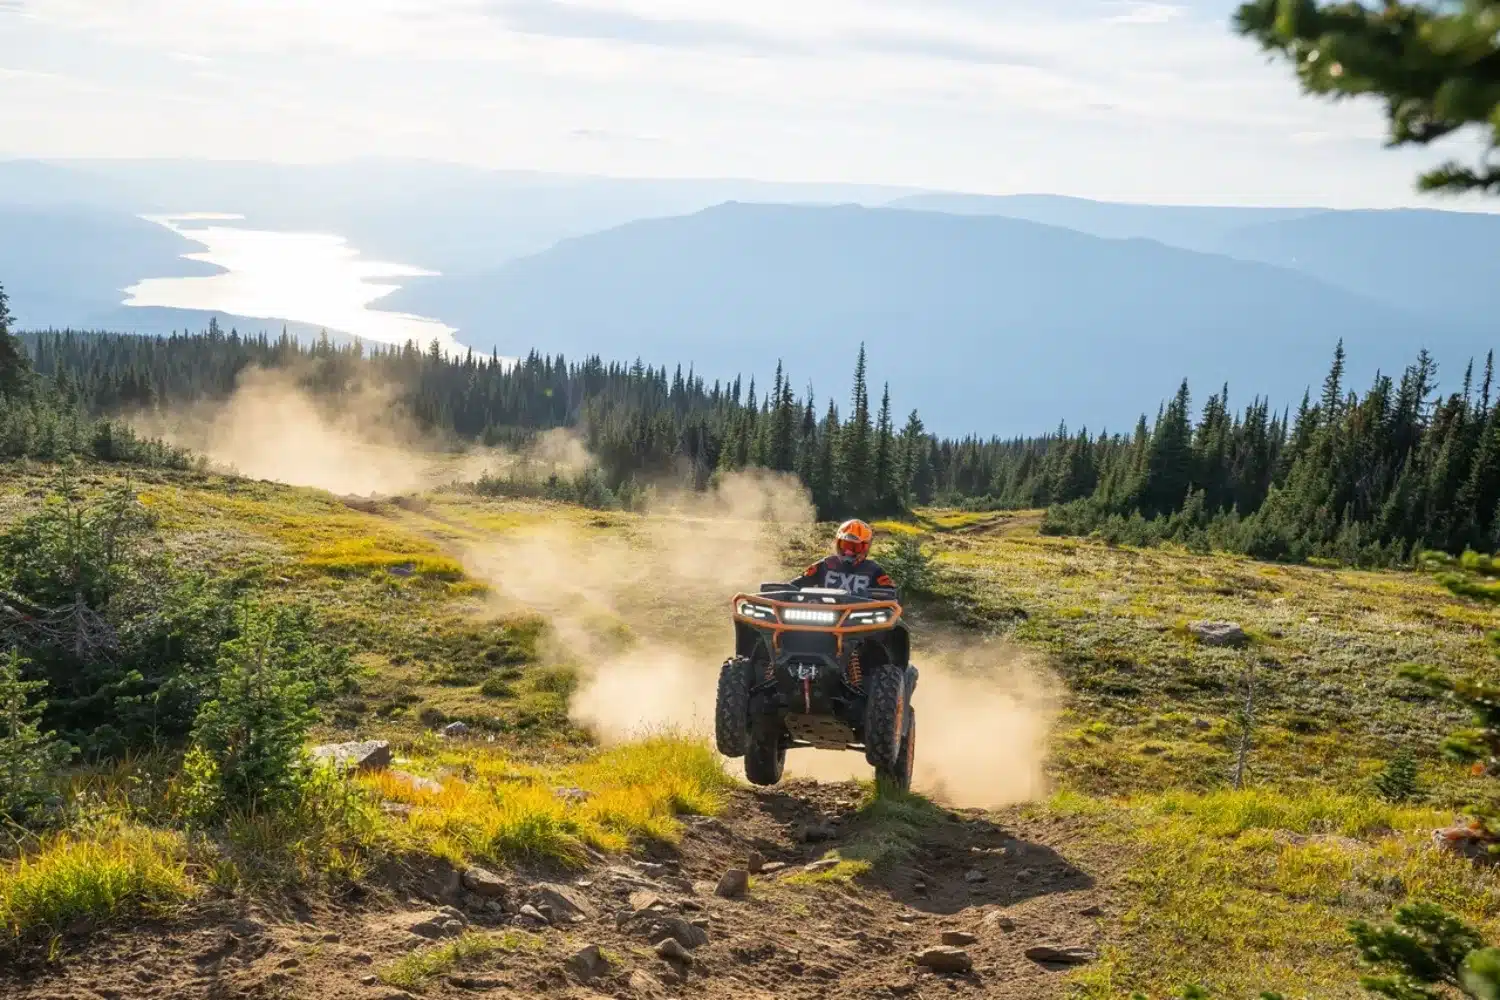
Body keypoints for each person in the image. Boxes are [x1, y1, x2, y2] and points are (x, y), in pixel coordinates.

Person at [789, 519, 895, 596]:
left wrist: (870, 595)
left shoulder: (874, 570)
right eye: (845, 545)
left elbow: (891, 593)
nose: (848, 551)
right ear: (837, 544)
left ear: (865, 547)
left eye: (854, 547)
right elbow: (795, 584)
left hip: (858, 618)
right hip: (825, 615)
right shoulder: (825, 564)